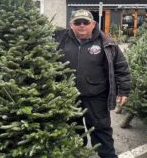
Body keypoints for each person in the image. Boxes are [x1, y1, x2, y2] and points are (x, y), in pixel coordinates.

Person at [55, 9, 131, 158]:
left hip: (96, 96)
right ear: (71, 24)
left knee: (101, 130)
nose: (82, 25)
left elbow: (121, 67)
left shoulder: (106, 42)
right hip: (67, 97)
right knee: (72, 131)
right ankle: (76, 153)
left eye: (85, 22)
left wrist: (123, 91)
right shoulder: (59, 39)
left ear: (93, 24)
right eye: (78, 22)